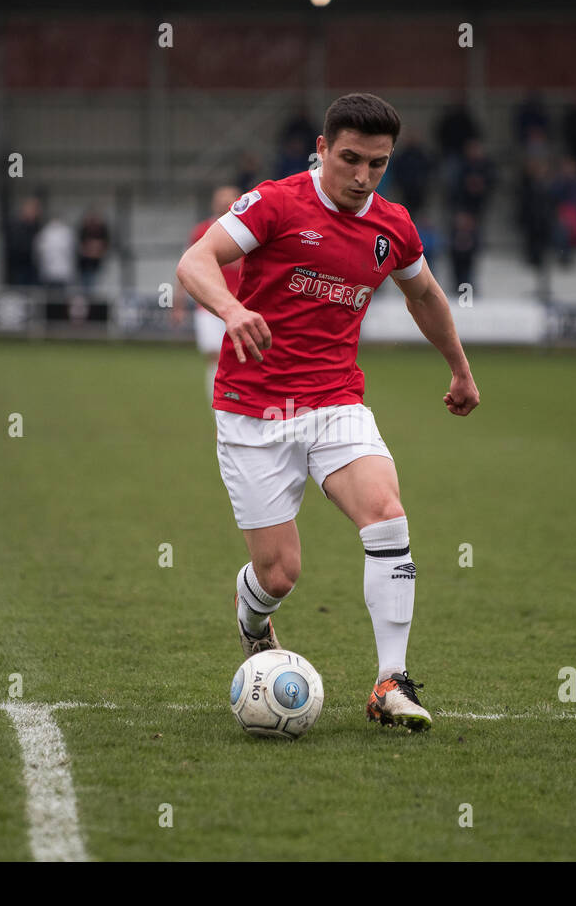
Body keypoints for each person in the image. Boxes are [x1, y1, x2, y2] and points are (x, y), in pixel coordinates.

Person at [176, 93, 480, 732]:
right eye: (350, 159)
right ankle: (251, 612)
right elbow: (194, 261)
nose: (363, 175)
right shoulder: (276, 202)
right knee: (280, 573)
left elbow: (424, 294)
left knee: (387, 514)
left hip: (336, 402)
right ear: (321, 149)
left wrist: (459, 366)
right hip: (253, 411)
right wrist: (232, 310)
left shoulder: (392, 226)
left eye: (378, 163)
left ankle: (391, 683)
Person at [173, 185, 242, 403]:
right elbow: (186, 267)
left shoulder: (250, 229)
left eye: (229, 199)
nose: (224, 203)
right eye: (221, 199)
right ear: (214, 203)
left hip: (242, 306)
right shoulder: (201, 231)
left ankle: (237, 405)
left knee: (241, 359)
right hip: (209, 306)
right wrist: (178, 304)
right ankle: (219, 408)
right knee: (216, 357)